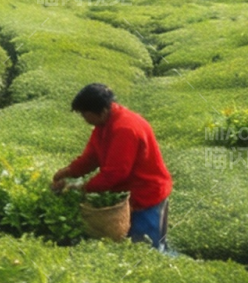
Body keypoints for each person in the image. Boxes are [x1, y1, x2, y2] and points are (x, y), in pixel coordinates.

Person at [52, 83, 172, 250]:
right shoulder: (104, 125)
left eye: (85, 114)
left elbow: (115, 174)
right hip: (130, 194)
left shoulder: (125, 129)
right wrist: (66, 172)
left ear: (100, 112)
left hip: (147, 194)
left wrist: (82, 188)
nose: (84, 119)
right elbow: (90, 158)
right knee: (130, 247)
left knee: (147, 250)